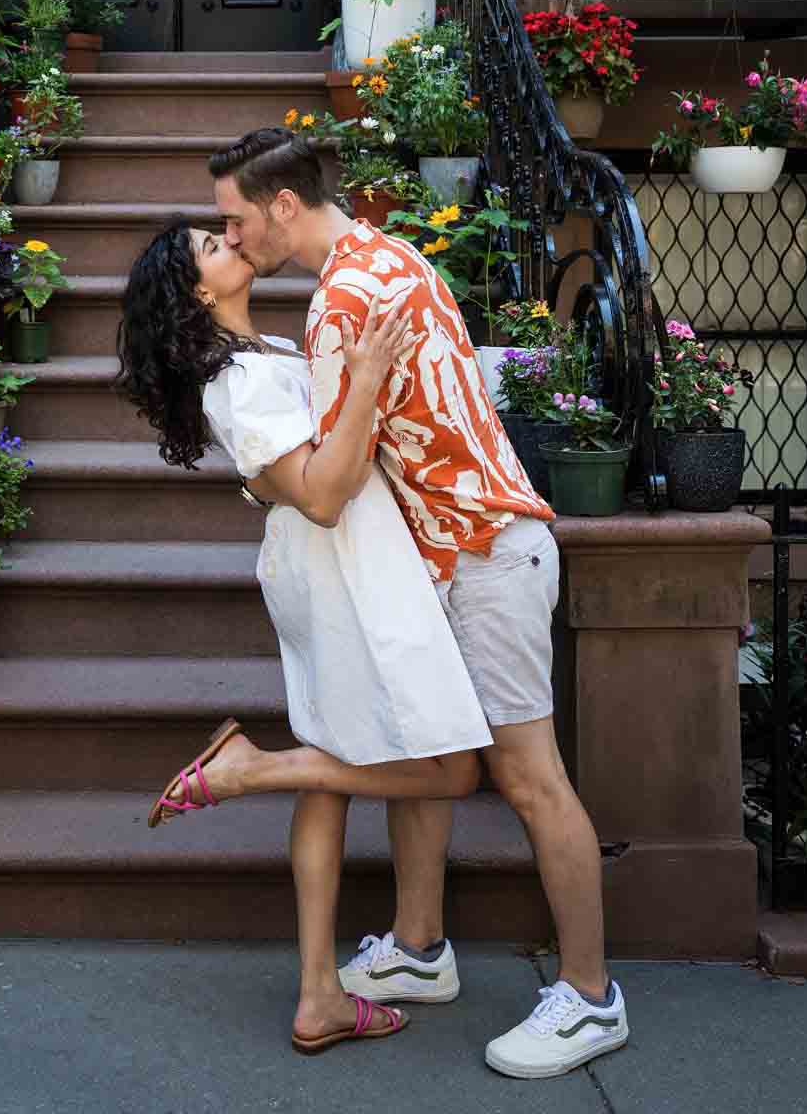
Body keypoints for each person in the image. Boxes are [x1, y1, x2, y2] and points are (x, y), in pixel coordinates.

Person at [208, 127, 630, 1082]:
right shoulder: (389, 252)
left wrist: (262, 480)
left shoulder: (339, 303)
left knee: (528, 778)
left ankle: (590, 998)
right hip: (444, 560)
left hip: (481, 557)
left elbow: (327, 476)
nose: (231, 239)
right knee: (419, 745)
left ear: (283, 205)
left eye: (235, 220)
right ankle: (418, 946)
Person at [116, 216, 492, 1055]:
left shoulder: (270, 354)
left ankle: (319, 994)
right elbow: (320, 496)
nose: (228, 240)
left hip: (355, 564)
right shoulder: (236, 384)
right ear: (195, 292)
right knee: (452, 768)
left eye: (219, 232)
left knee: (333, 774)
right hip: (340, 572)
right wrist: (364, 382)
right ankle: (249, 768)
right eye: (209, 248)